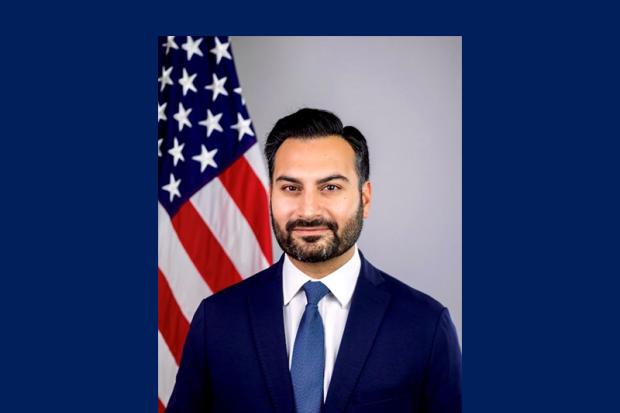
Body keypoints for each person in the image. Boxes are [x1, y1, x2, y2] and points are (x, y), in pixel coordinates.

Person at [166, 108, 462, 413]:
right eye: (291, 188)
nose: (308, 211)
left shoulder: (425, 326)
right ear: (270, 196)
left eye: (330, 187)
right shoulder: (216, 320)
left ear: (365, 198)